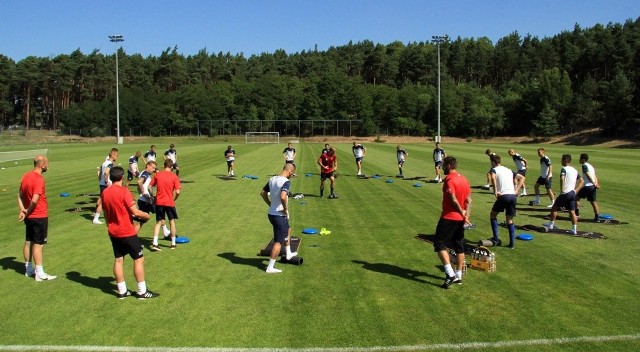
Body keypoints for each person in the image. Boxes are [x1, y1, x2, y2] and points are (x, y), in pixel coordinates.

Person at [101, 166, 156, 299]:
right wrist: (146, 216)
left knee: (119, 260)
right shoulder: (124, 191)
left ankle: (122, 291)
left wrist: (110, 225)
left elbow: (106, 213)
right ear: (122, 177)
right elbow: (135, 212)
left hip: (113, 232)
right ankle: (142, 291)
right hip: (127, 231)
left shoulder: (105, 193)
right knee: (138, 259)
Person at [434, 156, 472, 289]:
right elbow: (469, 200)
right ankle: (459, 275)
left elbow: (453, 198)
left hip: (449, 217)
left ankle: (450, 274)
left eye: (444, 165)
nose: (443, 167)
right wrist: (467, 214)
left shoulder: (449, 179)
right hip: (460, 219)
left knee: (439, 244)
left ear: (449, 166)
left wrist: (462, 212)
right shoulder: (464, 179)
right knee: (459, 246)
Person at [18, 155, 56, 281]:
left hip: (29, 216)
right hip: (39, 215)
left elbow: (19, 195)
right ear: (42, 165)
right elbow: (35, 200)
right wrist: (27, 211)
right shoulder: (39, 179)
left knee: (29, 241)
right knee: (38, 244)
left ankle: (28, 269)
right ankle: (39, 272)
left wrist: (23, 210)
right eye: (47, 164)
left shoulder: (25, 176)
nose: (48, 166)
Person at [260, 163, 298, 273]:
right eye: (292, 174)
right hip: (279, 215)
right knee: (278, 242)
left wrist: (270, 204)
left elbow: (263, 193)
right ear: (290, 172)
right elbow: (283, 196)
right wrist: (285, 208)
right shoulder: (286, 182)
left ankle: (288, 252)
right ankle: (270, 267)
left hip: (272, 214)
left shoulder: (272, 179)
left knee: (288, 229)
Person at [544, 154, 584, 234]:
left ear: (565, 160)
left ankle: (551, 225)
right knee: (572, 212)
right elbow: (582, 181)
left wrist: (562, 189)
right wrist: (576, 191)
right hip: (572, 193)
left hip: (565, 193)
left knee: (554, 208)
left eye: (562, 159)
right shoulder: (575, 170)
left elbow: (562, 178)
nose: (561, 161)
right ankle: (574, 230)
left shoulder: (564, 169)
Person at [149, 159, 182, 251]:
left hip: (159, 202)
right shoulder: (174, 176)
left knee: (159, 222)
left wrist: (152, 195)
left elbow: (150, 186)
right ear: (172, 167)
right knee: (172, 221)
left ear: (164, 166)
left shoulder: (158, 175)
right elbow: (178, 191)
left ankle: (155, 243)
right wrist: (175, 198)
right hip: (169, 202)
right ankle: (173, 244)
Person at [488, 154, 517, 248]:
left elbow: (492, 177)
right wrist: (516, 189)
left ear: (493, 162)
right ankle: (512, 244)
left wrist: (495, 191)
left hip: (504, 196)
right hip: (513, 195)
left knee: (493, 214)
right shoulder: (508, 170)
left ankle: (496, 238)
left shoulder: (494, 170)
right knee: (509, 219)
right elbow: (520, 178)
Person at [93, 148, 118, 225]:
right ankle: (96, 218)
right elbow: (106, 173)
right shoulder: (110, 164)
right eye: (117, 155)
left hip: (102, 184)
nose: (117, 157)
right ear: (113, 155)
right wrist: (107, 181)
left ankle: (96, 213)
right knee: (104, 202)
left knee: (101, 200)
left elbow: (100, 172)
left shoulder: (104, 163)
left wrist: (100, 180)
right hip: (106, 185)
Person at [576, 153, 601, 221]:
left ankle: (577, 214)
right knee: (593, 202)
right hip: (592, 186)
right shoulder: (590, 166)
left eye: (580, 158)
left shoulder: (584, 166)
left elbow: (588, 175)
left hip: (587, 186)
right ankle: (597, 217)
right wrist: (596, 183)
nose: (579, 160)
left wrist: (594, 183)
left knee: (576, 198)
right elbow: (594, 175)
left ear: (583, 159)